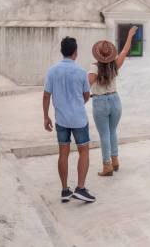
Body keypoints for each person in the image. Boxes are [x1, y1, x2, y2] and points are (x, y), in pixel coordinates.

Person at [43, 36, 96, 203]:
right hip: (79, 118)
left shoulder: (52, 71)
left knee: (63, 153)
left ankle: (65, 190)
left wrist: (46, 116)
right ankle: (80, 188)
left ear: (61, 51)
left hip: (61, 119)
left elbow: (46, 96)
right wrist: (79, 103)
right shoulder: (81, 71)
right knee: (84, 151)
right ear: (75, 52)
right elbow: (86, 95)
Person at [88, 26, 138, 177]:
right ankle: (115, 160)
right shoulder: (115, 65)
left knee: (104, 134)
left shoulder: (94, 67)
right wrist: (129, 36)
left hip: (100, 102)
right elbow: (124, 51)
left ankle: (107, 165)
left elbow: (87, 85)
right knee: (112, 131)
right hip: (115, 100)